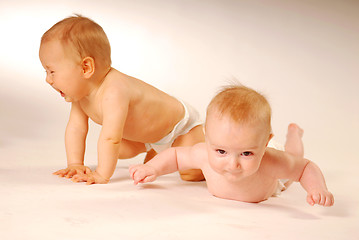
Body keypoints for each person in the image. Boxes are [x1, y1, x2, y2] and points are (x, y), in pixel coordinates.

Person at [39, 15, 205, 184]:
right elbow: (76, 129)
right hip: (148, 136)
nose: (48, 79)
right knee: (117, 151)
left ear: (86, 67)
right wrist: (75, 164)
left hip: (180, 129)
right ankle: (156, 149)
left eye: (52, 72)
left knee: (191, 174)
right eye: (46, 72)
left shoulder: (115, 90)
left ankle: (208, 149)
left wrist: (102, 175)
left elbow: (111, 137)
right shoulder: (81, 95)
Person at [130, 85, 334, 206]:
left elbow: (304, 167)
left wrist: (317, 188)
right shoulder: (202, 154)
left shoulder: (270, 161)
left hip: (272, 180)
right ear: (206, 136)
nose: (232, 163)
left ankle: (294, 134)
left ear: (264, 144)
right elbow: (175, 156)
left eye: (246, 154)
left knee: (293, 154)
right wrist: (152, 168)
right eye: (221, 151)